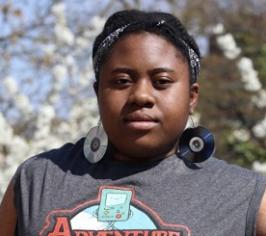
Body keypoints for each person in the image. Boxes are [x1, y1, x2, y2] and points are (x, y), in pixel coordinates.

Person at [0, 9, 266, 236]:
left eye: (161, 81)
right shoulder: (37, 180)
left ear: (191, 97)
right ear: (98, 93)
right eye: (121, 81)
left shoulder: (244, 196)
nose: (141, 96)